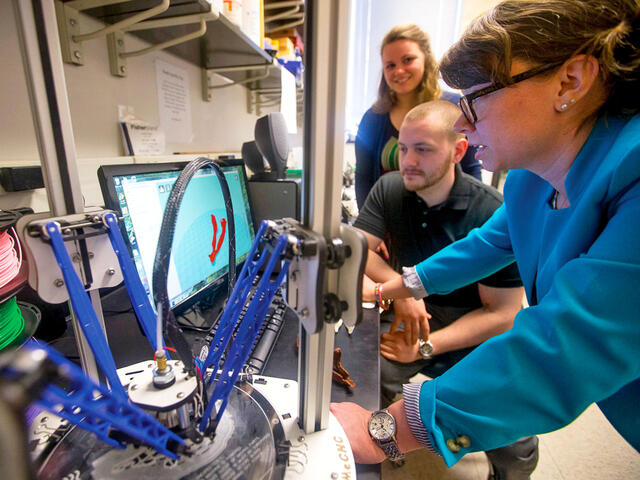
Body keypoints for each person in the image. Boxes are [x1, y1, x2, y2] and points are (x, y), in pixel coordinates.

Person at [331, 0, 640, 474]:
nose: (462, 121)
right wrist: (391, 290)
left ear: (570, 80)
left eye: (476, 96)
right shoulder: (529, 179)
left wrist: (387, 431)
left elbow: (567, 345)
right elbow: (484, 247)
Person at [356, 100, 533, 478]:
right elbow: (359, 249)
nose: (408, 160)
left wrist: (424, 347)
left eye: (423, 149)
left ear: (458, 151)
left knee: (512, 433)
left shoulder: (492, 211)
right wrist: (405, 295)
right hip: (414, 315)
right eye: (403, 148)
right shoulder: (390, 189)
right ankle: (379, 454)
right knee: (362, 376)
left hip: (476, 326)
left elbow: (503, 315)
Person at [355, 24, 483, 209]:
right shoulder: (373, 118)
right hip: (390, 220)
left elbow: (471, 169)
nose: (399, 71)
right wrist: (370, 226)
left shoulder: (454, 109)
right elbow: (364, 177)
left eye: (408, 60)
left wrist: (472, 219)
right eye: (390, 65)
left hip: (445, 221)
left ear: (426, 60)